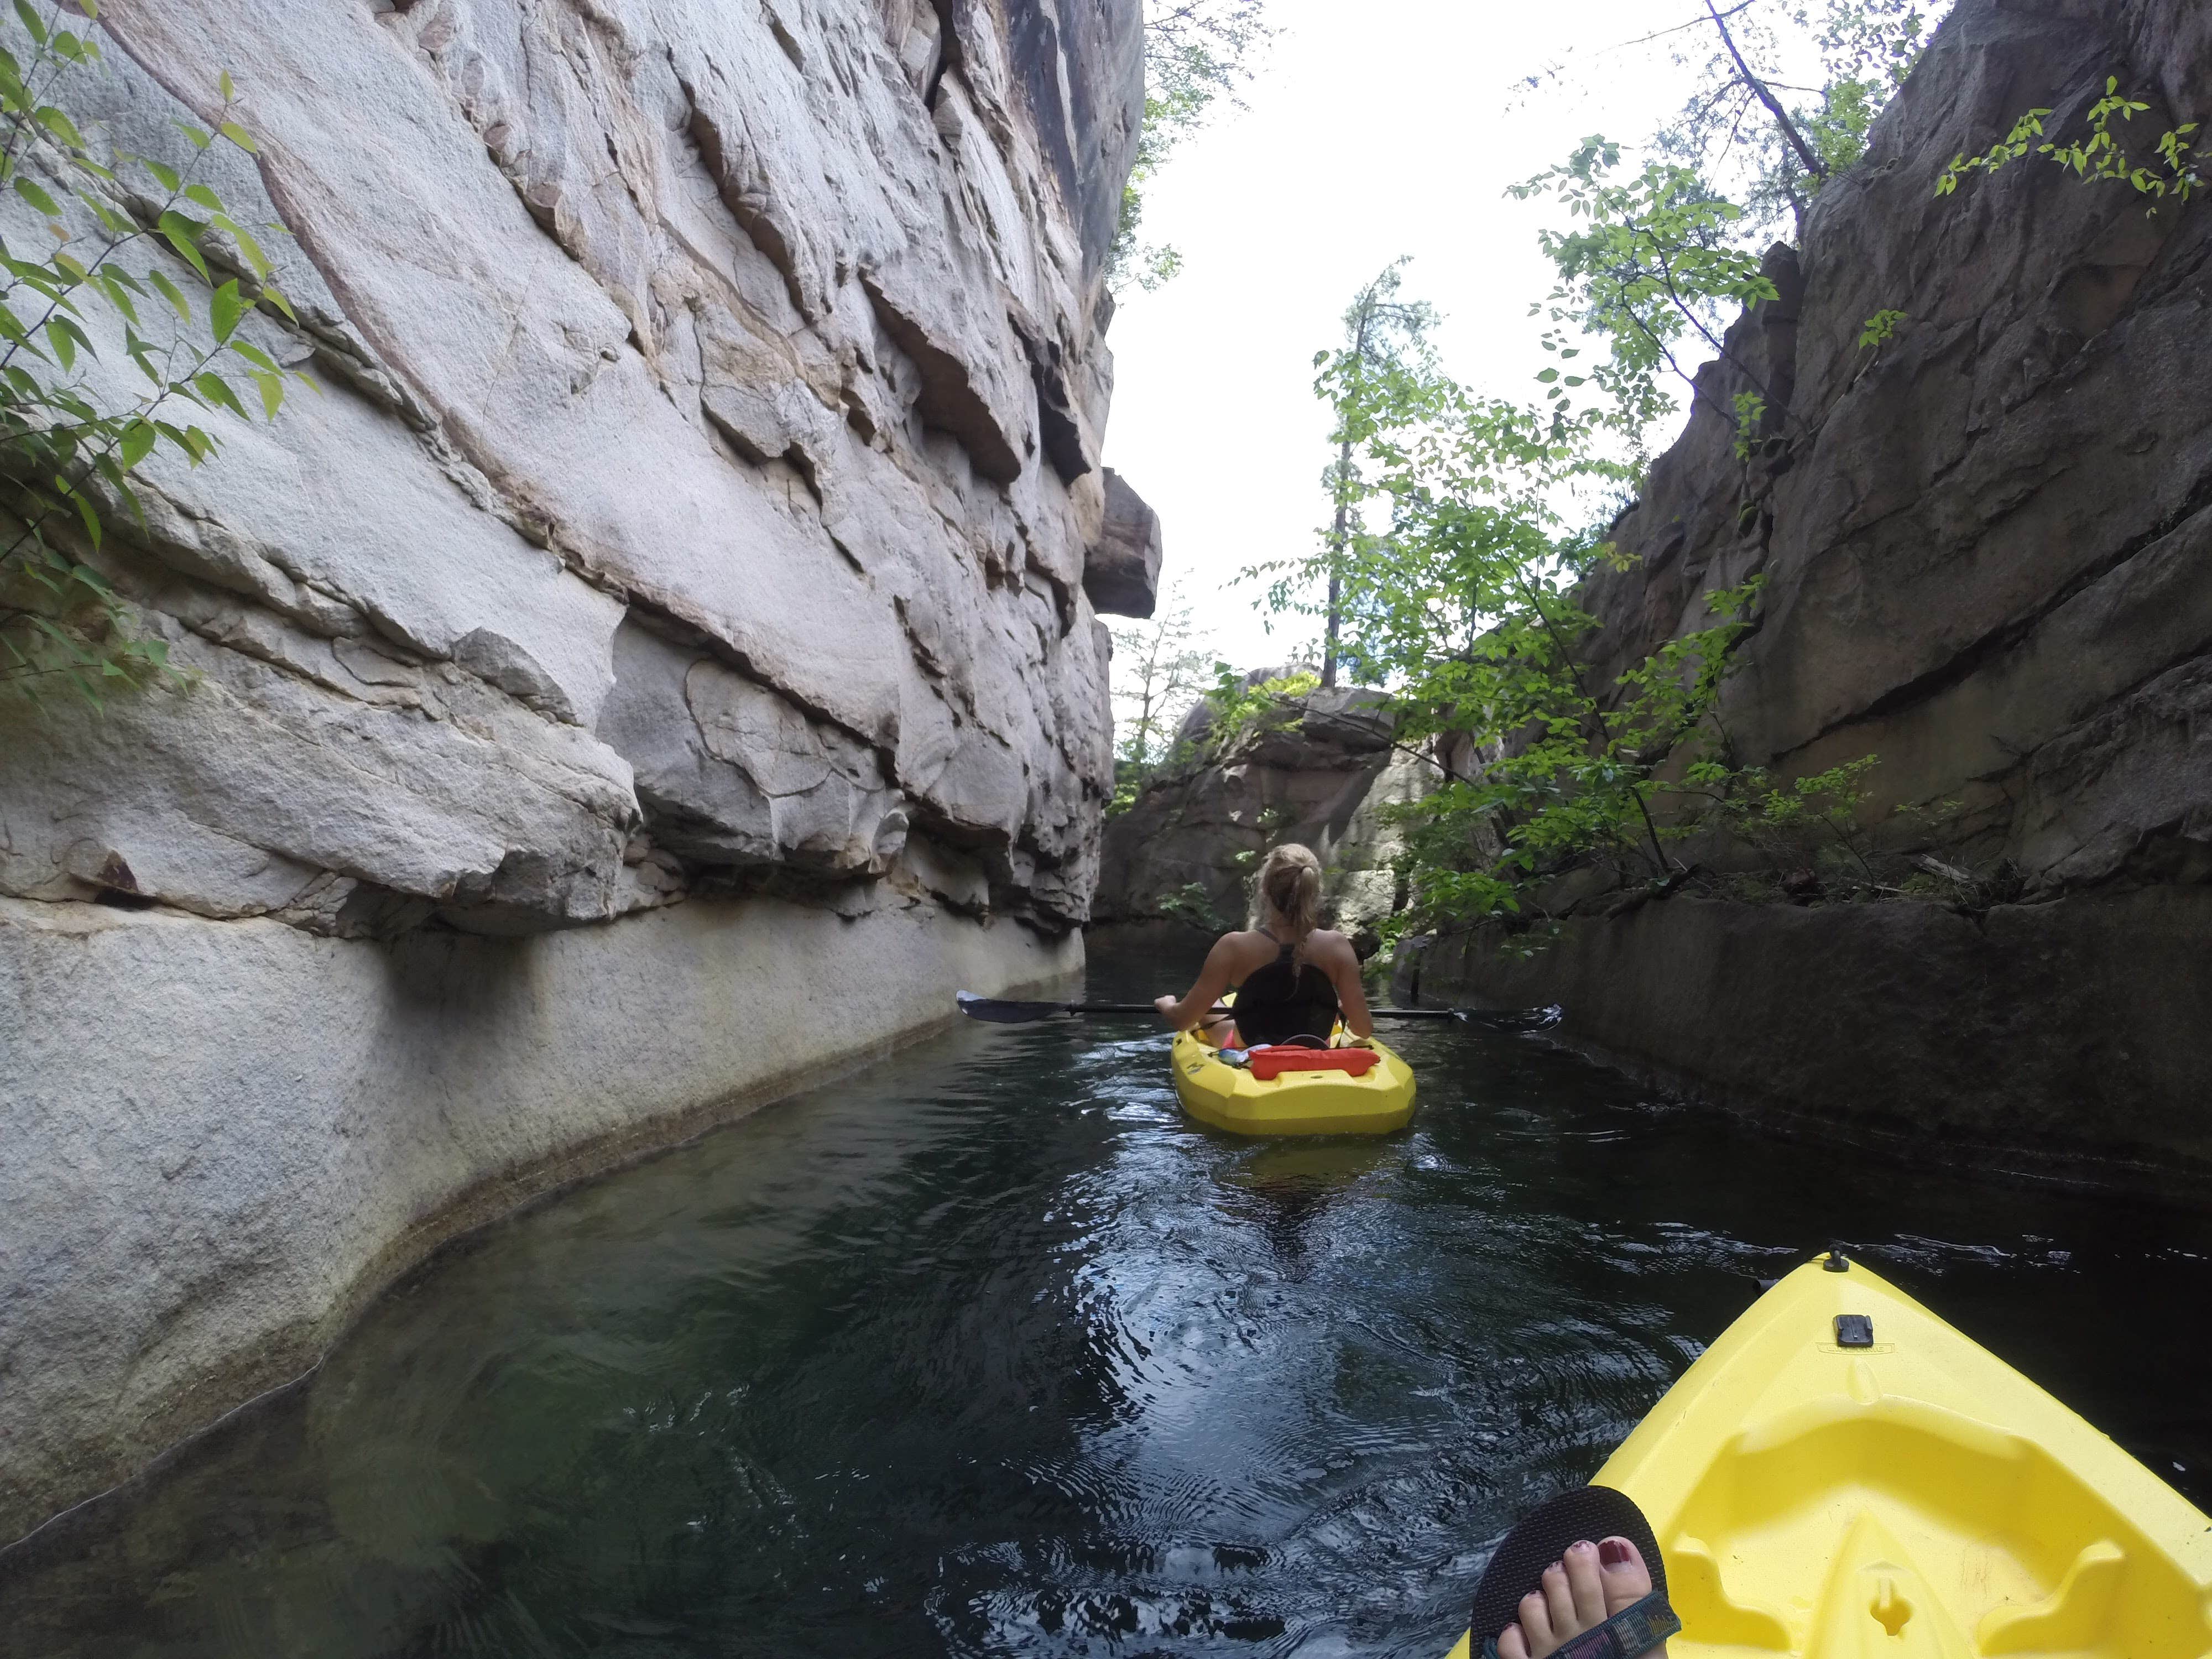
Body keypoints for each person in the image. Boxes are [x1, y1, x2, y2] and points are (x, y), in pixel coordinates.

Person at [1153, 844, 1373, 1049]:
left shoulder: (1233, 947)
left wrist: (1167, 1005)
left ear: (1265, 890)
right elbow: (1363, 1030)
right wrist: (1343, 1009)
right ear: (1314, 892)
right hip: (1313, 1046)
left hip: (1251, 1049)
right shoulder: (1337, 945)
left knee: (1208, 1009)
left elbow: (1182, 1020)